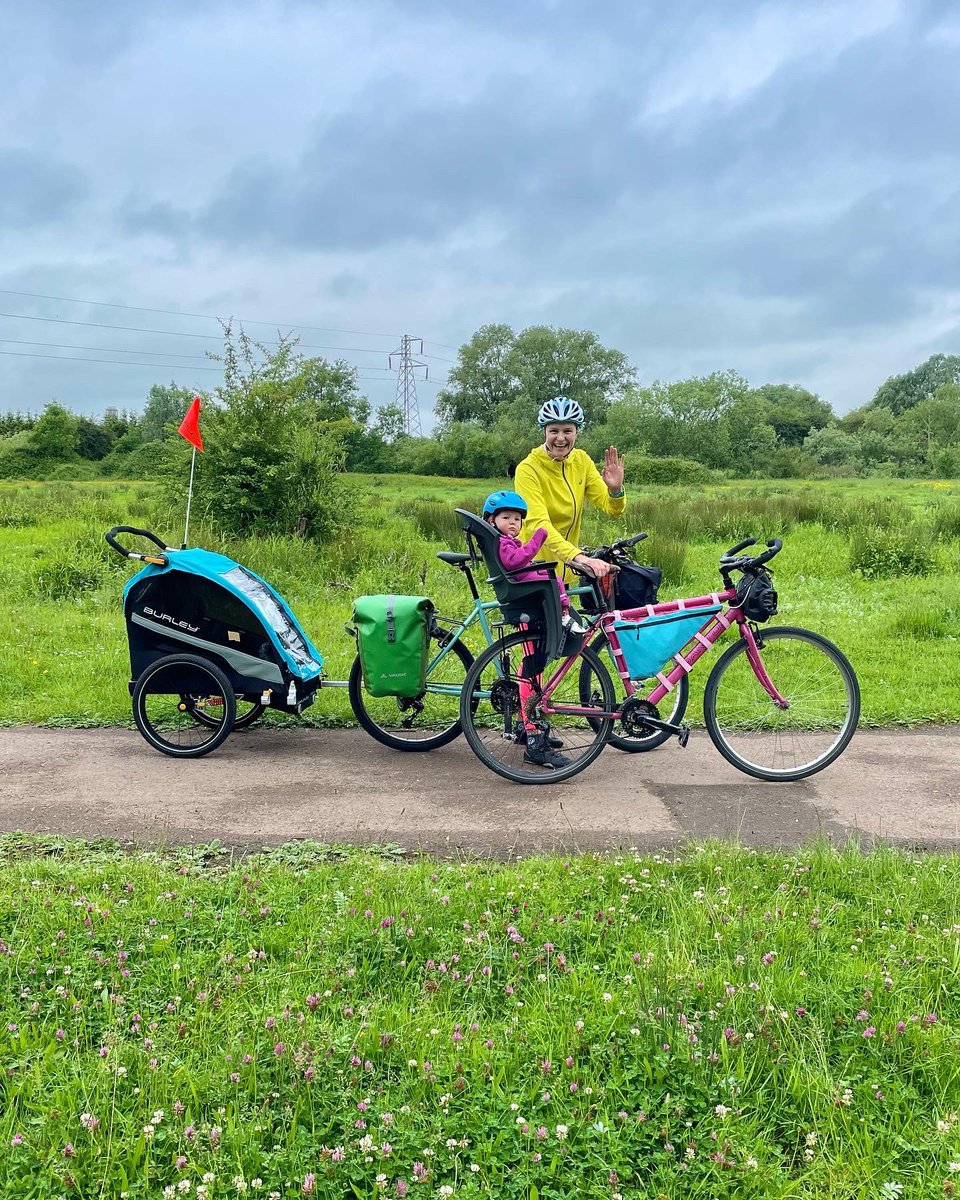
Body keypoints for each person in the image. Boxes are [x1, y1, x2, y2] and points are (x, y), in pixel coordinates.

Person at [513, 396, 626, 584]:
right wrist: (578, 556)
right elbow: (538, 524)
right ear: (544, 431)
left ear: (577, 432)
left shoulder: (582, 461)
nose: (560, 438)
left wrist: (615, 491)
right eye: (553, 431)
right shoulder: (528, 469)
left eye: (567, 431)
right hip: (534, 569)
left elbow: (613, 509)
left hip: (566, 569)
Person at [482, 490, 588, 636]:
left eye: (517, 519)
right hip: (518, 578)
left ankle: (558, 615)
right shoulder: (503, 542)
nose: (512, 522)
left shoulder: (504, 541)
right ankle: (563, 615)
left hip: (519, 576)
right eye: (506, 517)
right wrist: (537, 539)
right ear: (491, 520)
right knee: (554, 581)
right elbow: (514, 561)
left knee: (552, 577)